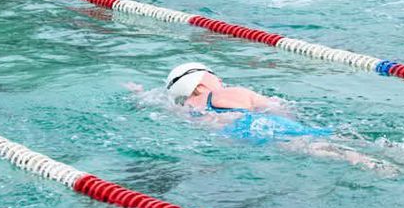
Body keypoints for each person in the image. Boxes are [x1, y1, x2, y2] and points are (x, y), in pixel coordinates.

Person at [164, 63, 390, 171]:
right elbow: (275, 107)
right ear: (202, 83)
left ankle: (361, 160)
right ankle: (368, 157)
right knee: (314, 140)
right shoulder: (226, 93)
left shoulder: (186, 109)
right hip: (256, 123)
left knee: (295, 147)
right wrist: (291, 119)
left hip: (235, 136)